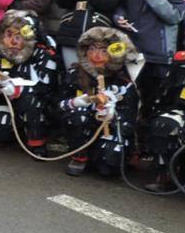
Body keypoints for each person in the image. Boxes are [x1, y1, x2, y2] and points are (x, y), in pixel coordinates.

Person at [114, 0, 185, 129]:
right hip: (131, 48)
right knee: (127, 101)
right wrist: (119, 17)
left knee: (151, 103)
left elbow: (174, 16)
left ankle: (149, 146)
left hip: (158, 53)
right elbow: (121, 4)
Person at [59, 28, 141, 177]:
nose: (96, 56)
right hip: (85, 123)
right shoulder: (75, 74)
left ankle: (113, 154)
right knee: (78, 116)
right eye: (91, 49)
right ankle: (79, 156)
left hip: (111, 130)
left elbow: (130, 118)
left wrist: (112, 115)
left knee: (108, 167)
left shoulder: (125, 80)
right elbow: (59, 105)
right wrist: (75, 102)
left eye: (104, 51)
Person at [0, 11, 59, 156]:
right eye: (9, 35)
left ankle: (37, 142)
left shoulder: (44, 54)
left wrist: (17, 90)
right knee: (0, 126)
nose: (13, 42)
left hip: (39, 106)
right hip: (10, 104)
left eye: (19, 37)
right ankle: (16, 132)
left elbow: (46, 88)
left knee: (32, 102)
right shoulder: (1, 53)